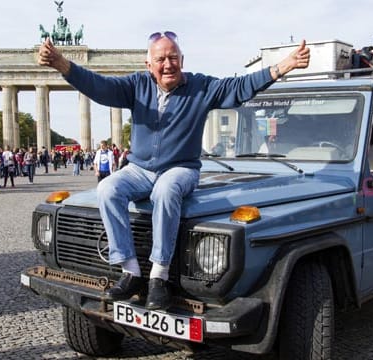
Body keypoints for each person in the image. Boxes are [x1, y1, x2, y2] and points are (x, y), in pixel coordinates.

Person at [38, 32, 310, 310]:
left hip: (181, 168)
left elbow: (240, 86)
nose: (167, 64)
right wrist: (62, 63)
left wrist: (283, 67)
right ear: (148, 65)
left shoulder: (201, 87)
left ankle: (159, 275)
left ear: (182, 60)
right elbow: (100, 87)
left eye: (173, 58)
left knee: (165, 190)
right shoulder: (136, 85)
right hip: (139, 169)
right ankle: (130, 269)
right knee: (107, 189)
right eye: (160, 59)